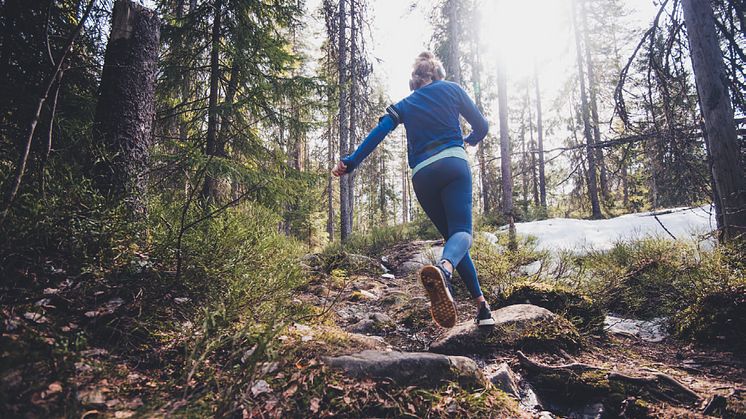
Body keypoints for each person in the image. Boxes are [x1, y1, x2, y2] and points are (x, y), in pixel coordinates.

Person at [332, 51, 495, 328]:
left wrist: (351, 161)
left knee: (452, 240)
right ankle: (444, 271)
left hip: (422, 175)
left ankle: (482, 308)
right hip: (453, 165)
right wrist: (470, 139)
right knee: (462, 234)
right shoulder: (452, 89)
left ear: (416, 81)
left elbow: (379, 131)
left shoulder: (406, 104)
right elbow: (482, 125)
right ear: (437, 75)